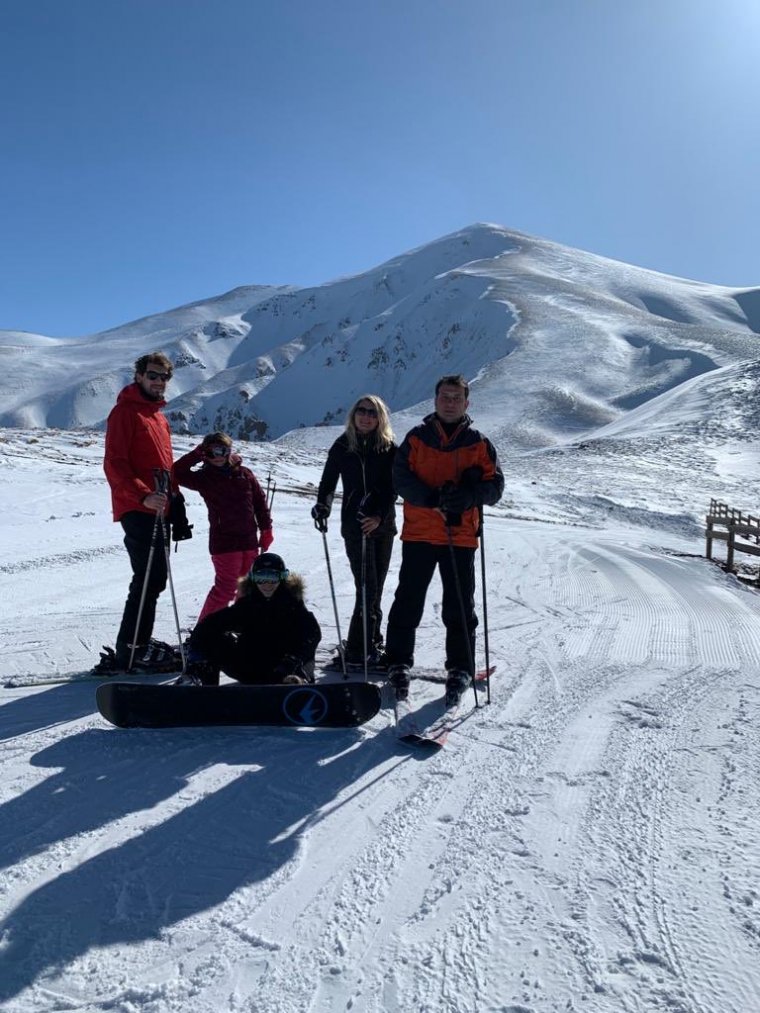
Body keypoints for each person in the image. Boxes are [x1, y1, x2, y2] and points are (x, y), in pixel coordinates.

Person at [384, 374, 504, 705]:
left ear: (466, 403)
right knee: (407, 601)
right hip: (421, 532)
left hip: (460, 536)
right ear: (435, 400)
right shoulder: (417, 438)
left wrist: (467, 497)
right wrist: (433, 498)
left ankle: (461, 667)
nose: (449, 402)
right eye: (444, 397)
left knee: (459, 606)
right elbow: (400, 477)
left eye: (456, 397)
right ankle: (397, 660)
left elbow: (495, 488)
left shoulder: (479, 443)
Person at [102, 351, 192, 672]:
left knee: (155, 578)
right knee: (148, 577)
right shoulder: (125, 413)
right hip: (138, 508)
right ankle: (131, 649)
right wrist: (143, 497)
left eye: (163, 377)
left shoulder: (157, 415)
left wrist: (176, 504)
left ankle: (138, 643)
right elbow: (115, 464)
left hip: (159, 509)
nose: (158, 382)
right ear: (139, 376)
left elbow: (164, 467)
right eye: (152, 375)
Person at [311, 394, 396, 668]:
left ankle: (371, 640)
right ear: (353, 414)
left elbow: (393, 488)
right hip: (354, 526)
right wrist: (322, 507)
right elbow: (327, 484)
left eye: (372, 412)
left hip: (383, 526)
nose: (366, 416)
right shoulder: (341, 446)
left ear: (380, 417)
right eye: (362, 411)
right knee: (366, 588)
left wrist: (379, 516)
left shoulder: (389, 449)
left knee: (376, 587)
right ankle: (360, 648)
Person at [174, 431, 273, 624]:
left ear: (229, 451)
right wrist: (196, 454)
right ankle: (203, 634)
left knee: (246, 589)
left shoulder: (244, 474)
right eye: (211, 453)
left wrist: (266, 529)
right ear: (205, 455)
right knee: (225, 589)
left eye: (222, 450)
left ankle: (239, 628)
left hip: (249, 541)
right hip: (224, 544)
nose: (217, 457)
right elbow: (176, 472)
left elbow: (260, 503)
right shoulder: (204, 478)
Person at [183, 553, 321, 686]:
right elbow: (210, 624)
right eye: (261, 577)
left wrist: (292, 660)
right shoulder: (248, 604)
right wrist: (196, 653)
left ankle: (298, 684)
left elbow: (312, 633)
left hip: (284, 669)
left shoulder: (293, 604)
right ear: (253, 579)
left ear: (282, 578)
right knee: (212, 639)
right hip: (251, 668)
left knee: (304, 651)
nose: (267, 584)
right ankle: (204, 690)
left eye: (272, 577)